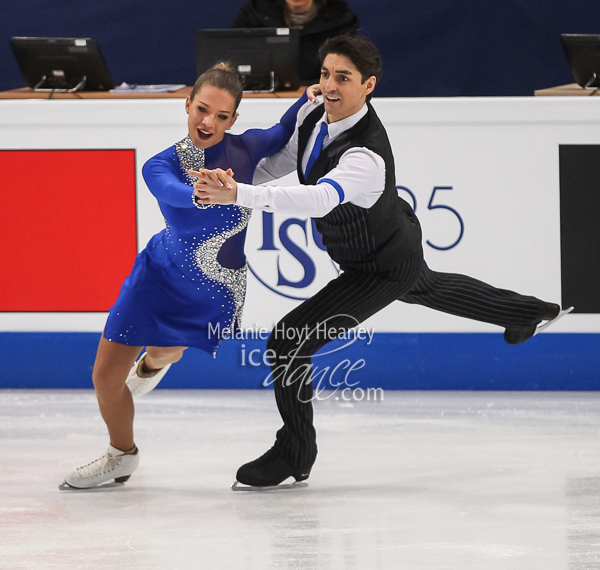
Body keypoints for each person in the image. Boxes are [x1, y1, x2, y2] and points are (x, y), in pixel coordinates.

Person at [193, 36, 572, 489]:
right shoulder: (316, 115)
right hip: (386, 242)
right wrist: (231, 178)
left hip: (380, 265)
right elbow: (283, 162)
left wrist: (238, 195)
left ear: (368, 85)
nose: (330, 85)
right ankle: (530, 312)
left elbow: (317, 198)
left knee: (287, 343)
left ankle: (296, 452)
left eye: (344, 78)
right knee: (430, 287)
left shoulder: (364, 154)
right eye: (325, 74)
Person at [59, 63, 316, 490]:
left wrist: (306, 98)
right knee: (104, 374)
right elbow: (170, 192)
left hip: (213, 290)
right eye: (201, 109)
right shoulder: (163, 162)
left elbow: (283, 129)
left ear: (233, 120)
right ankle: (121, 455)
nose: (207, 122)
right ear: (187, 104)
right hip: (157, 273)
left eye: (220, 116)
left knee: (164, 352)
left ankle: (154, 363)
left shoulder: (248, 149)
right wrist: (203, 192)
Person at [232, 0, 359, 84]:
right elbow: (232, 57)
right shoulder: (254, 14)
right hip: (263, 99)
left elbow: (345, 72)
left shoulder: (341, 20)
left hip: (321, 98)